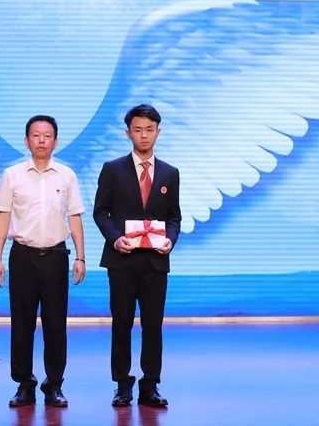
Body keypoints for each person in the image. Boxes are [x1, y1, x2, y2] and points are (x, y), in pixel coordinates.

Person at [0, 115, 86, 408]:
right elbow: (3, 216)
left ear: (56, 141)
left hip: (56, 256)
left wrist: (80, 256)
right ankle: (24, 384)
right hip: (22, 256)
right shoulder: (12, 175)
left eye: (47, 135)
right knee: (22, 324)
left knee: (56, 324)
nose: (41, 140)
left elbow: (74, 217)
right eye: (36, 135)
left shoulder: (67, 175)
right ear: (26, 140)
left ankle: (54, 385)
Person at [92, 104, 182, 408]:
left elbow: (174, 217)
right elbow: (101, 212)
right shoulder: (113, 169)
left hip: (155, 262)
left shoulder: (170, 173)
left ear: (158, 131)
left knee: (153, 325)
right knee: (122, 323)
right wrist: (116, 238)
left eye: (149, 129)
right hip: (122, 260)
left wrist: (170, 240)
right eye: (138, 129)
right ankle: (122, 385)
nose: (144, 135)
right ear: (128, 133)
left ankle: (151, 385)